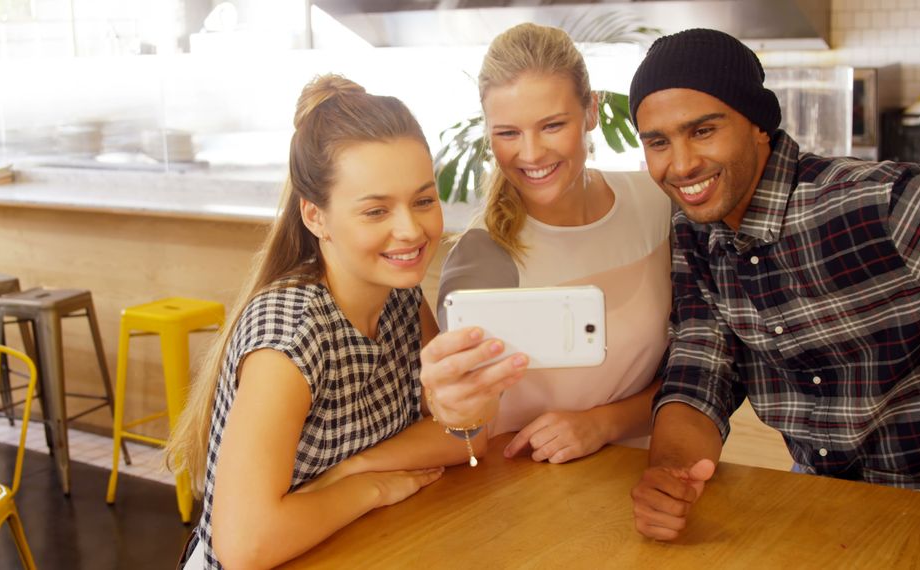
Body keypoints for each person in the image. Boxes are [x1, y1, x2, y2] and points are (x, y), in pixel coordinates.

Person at [625, 28, 920, 543]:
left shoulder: (891, 204)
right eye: (658, 141)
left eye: (702, 131)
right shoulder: (692, 234)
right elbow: (701, 371)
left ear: (759, 125)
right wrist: (670, 476)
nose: (681, 164)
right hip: (824, 503)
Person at [165, 75, 485, 570]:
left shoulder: (399, 298)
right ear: (316, 217)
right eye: (376, 210)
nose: (411, 229)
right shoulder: (291, 337)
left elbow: (466, 433)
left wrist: (357, 467)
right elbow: (244, 545)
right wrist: (369, 488)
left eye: (423, 200)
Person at [425, 22, 672, 464]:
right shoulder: (483, 260)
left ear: (591, 111)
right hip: (522, 494)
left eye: (552, 125)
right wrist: (449, 405)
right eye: (508, 133)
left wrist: (603, 424)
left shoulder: (656, 205)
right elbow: (467, 428)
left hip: (640, 479)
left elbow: (691, 376)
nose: (532, 153)